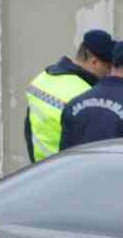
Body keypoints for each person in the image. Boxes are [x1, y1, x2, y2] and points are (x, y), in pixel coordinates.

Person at [24, 29, 112, 162]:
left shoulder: (42, 78)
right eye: (108, 67)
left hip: (40, 166)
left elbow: (29, 128)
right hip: (67, 167)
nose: (109, 73)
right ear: (94, 62)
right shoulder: (87, 95)